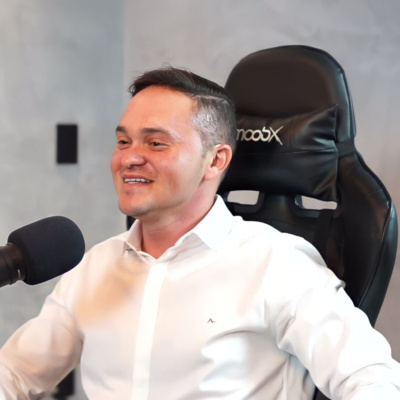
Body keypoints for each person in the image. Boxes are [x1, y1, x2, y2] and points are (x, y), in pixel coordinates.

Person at [0, 67, 400, 400]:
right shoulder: (95, 267)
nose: (129, 157)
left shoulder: (277, 264)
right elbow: (14, 374)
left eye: (156, 143)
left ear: (215, 161)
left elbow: (373, 379)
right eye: (123, 141)